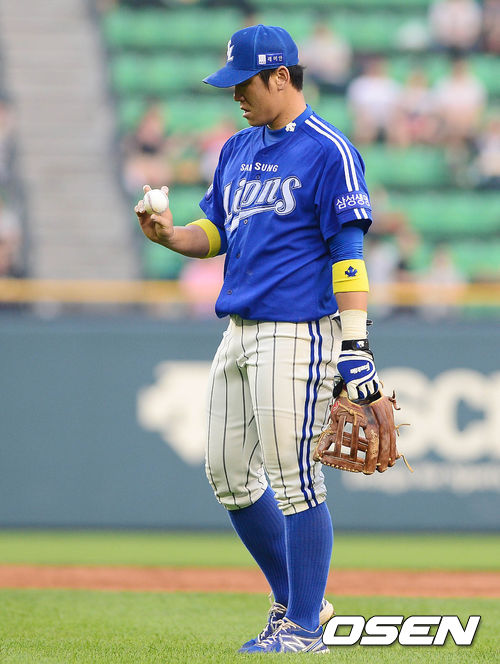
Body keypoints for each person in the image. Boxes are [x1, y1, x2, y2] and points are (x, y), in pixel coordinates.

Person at [135, 24, 380, 654]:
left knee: (296, 480)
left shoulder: (329, 150)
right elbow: (216, 231)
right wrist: (170, 235)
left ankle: (304, 628)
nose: (236, 95)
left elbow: (348, 256)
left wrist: (355, 346)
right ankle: (298, 602)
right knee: (228, 476)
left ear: (281, 76)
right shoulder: (237, 148)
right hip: (238, 330)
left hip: (297, 331)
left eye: (245, 83)